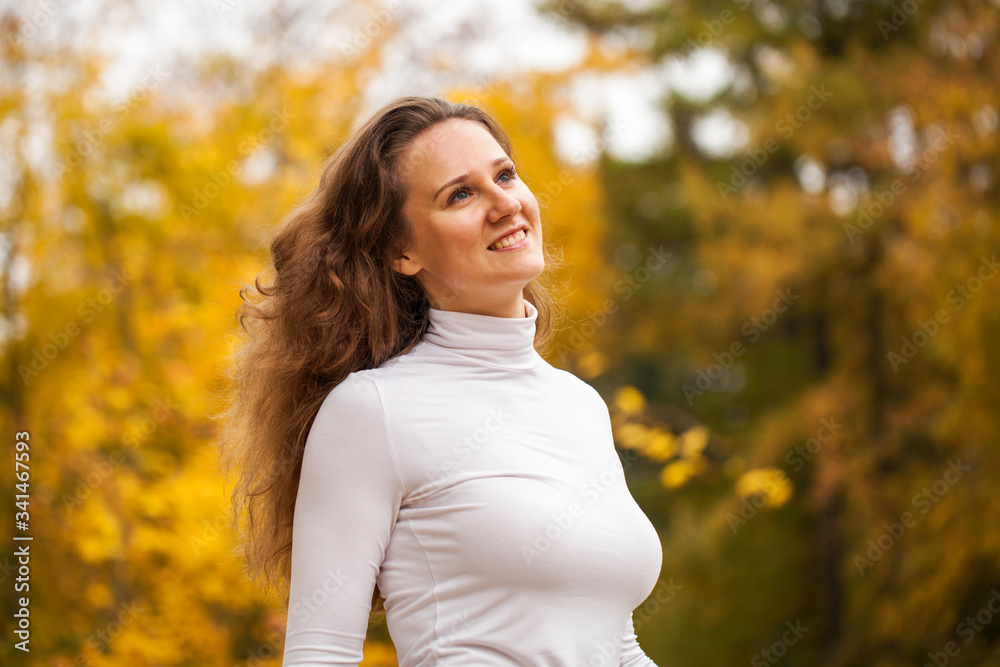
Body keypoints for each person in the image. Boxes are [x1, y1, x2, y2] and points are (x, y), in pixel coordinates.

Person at [216, 95, 663, 666]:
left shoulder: (579, 405)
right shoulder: (372, 411)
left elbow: (615, 643)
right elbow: (320, 653)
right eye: (461, 194)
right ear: (401, 251)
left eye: (505, 174)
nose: (505, 203)